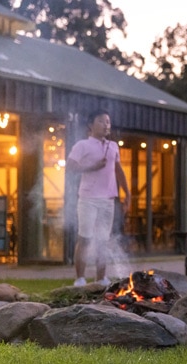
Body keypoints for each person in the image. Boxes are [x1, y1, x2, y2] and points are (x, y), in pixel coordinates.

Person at [67, 109, 130, 287]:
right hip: (88, 199)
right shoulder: (82, 145)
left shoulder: (113, 146)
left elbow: (118, 170)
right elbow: (70, 167)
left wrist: (127, 192)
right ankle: (80, 278)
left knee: (103, 239)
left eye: (108, 122)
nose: (106, 125)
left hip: (108, 199)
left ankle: (101, 278)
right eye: (101, 121)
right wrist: (92, 166)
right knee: (85, 238)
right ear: (91, 125)